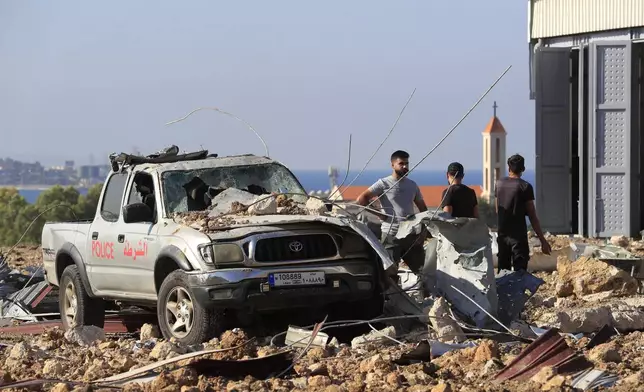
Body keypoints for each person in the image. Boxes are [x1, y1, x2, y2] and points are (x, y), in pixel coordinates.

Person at [356, 150, 428, 274]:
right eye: (401, 163)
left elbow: (423, 210)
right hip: (391, 235)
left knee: (423, 272)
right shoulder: (383, 183)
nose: (405, 166)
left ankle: (425, 294)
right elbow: (361, 199)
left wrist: (423, 231)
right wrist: (379, 214)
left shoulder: (412, 185)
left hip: (410, 236)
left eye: (407, 163)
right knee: (389, 274)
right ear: (392, 165)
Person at [495, 154, 551, 272]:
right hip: (518, 237)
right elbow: (532, 216)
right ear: (523, 169)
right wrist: (542, 240)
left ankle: (504, 291)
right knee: (520, 272)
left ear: (509, 168)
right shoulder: (525, 187)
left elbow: (497, 209)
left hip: (502, 235)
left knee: (503, 272)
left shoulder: (499, 184)